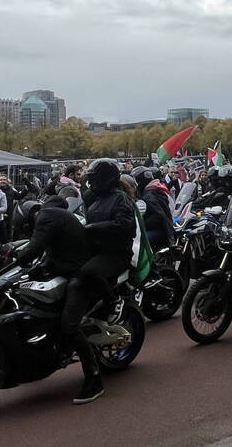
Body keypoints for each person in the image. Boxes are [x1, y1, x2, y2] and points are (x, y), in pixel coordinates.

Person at [10, 195, 95, 404]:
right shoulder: (54, 215)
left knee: (70, 325)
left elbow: (35, 247)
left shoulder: (46, 217)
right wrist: (40, 267)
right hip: (67, 267)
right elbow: (54, 248)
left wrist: (17, 259)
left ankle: (94, 380)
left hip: (78, 274)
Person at [69, 158, 137, 404]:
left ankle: (113, 300)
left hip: (115, 254)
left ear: (107, 179)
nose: (91, 182)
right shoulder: (92, 197)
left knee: (88, 273)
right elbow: (76, 213)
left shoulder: (121, 199)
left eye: (95, 178)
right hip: (95, 250)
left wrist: (93, 228)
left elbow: (124, 226)